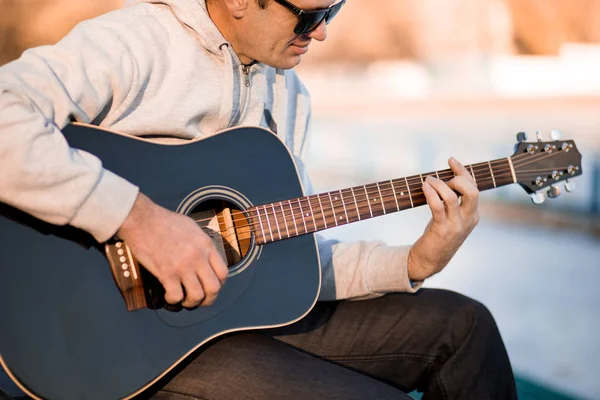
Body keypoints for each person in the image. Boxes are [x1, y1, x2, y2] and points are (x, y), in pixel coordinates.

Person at [0, 0, 518, 398]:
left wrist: (413, 260)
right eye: (308, 14)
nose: (321, 31)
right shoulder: (133, 43)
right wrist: (139, 220)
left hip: (223, 320)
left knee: (465, 328)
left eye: (334, 8)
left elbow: (289, 258)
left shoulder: (289, 95)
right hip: (113, 343)